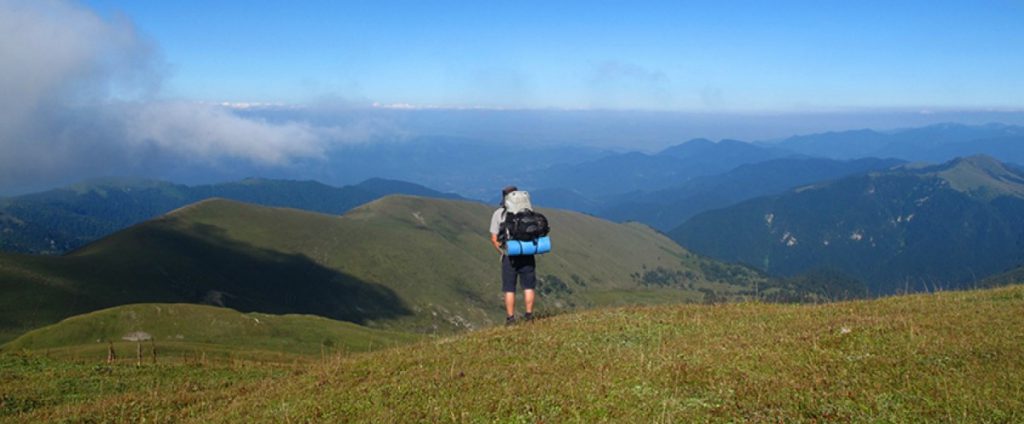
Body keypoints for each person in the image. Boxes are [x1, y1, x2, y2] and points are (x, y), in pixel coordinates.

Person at [489, 185, 536, 326]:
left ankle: (510, 319)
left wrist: (503, 252)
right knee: (528, 286)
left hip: (509, 255)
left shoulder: (499, 214)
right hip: (527, 253)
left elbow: (494, 238)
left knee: (509, 288)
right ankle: (529, 317)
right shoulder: (528, 212)